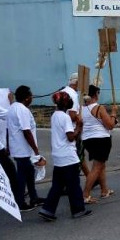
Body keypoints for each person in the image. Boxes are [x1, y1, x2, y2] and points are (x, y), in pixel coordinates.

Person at [38, 92, 91, 221]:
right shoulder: (65, 117)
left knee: (57, 185)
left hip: (58, 156)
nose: (71, 103)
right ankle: (78, 209)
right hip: (68, 156)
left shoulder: (55, 115)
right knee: (74, 184)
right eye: (69, 100)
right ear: (65, 103)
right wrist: (78, 127)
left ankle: (48, 209)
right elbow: (70, 137)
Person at [7, 85, 46, 211]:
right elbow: (26, 132)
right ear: (26, 98)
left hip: (18, 148)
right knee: (22, 177)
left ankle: (34, 197)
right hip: (23, 149)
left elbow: (8, 130)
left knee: (30, 173)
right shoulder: (22, 110)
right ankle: (20, 202)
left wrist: (8, 146)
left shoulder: (12, 107)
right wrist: (36, 150)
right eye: (31, 96)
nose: (32, 98)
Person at [80, 85, 117, 203]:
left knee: (101, 165)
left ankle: (104, 190)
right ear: (96, 94)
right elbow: (110, 125)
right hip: (101, 139)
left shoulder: (82, 108)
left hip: (87, 140)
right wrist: (114, 113)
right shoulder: (99, 108)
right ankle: (85, 195)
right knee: (97, 167)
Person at [61, 73, 91, 179]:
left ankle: (90, 177)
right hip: (72, 129)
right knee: (78, 155)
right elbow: (72, 115)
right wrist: (80, 118)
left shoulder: (64, 91)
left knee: (78, 154)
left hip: (63, 128)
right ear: (77, 82)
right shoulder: (72, 95)